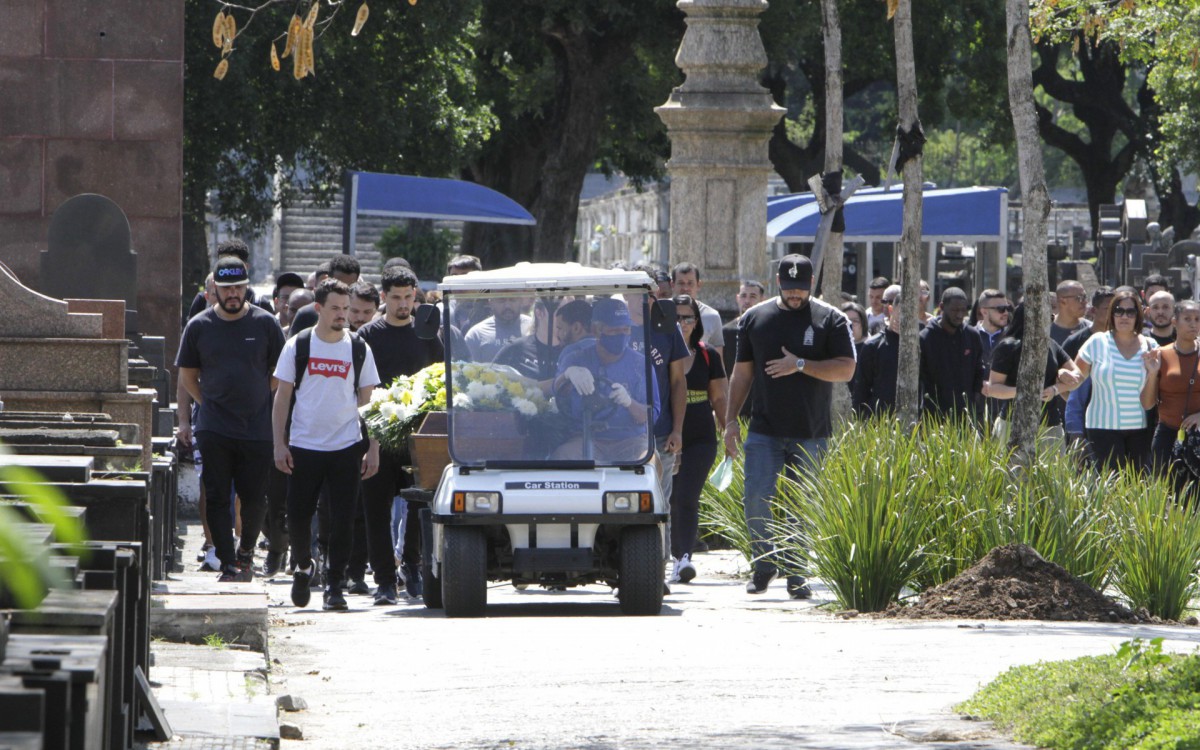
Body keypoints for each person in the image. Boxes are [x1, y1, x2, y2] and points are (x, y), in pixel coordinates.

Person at [724, 254, 856, 598]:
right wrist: (730, 421)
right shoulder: (755, 318)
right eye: (788, 288)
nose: (794, 294)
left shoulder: (831, 318)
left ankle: (797, 573)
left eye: (800, 288)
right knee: (756, 497)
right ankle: (764, 563)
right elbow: (742, 373)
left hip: (811, 431)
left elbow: (846, 369)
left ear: (811, 284)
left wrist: (799, 364)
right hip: (764, 429)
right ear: (778, 282)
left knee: (802, 505)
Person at [273, 278, 381, 610]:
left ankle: (335, 586)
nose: (342, 314)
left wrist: (373, 448)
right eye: (335, 308)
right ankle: (304, 565)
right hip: (304, 444)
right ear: (318, 308)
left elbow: (370, 403)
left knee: (342, 520)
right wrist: (279, 444)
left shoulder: (358, 348)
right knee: (298, 516)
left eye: (346, 308)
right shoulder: (299, 344)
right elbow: (282, 397)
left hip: (346, 445)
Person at [176, 256, 285, 582]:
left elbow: (281, 371)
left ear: (246, 286)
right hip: (214, 427)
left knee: (254, 499)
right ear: (215, 289)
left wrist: (258, 395)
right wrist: (207, 403)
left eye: (238, 287)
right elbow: (187, 376)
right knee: (217, 495)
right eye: (226, 288)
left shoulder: (266, 324)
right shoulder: (199, 326)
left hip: (257, 427)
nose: (233, 293)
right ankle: (227, 562)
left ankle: (246, 553)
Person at [358, 266, 444, 603]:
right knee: (377, 510)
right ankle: (384, 580)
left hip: (418, 437)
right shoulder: (368, 335)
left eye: (409, 297)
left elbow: (441, 378)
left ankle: (412, 566)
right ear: (384, 297)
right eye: (396, 297)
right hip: (377, 435)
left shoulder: (427, 334)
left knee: (419, 507)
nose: (404, 304)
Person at [668, 295, 727, 584]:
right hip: (668, 433)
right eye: (677, 317)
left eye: (688, 318)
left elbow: (719, 397)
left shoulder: (708, 355)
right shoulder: (662, 353)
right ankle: (671, 556)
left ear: (696, 321)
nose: (682, 323)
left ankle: (684, 558)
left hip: (701, 435)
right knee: (670, 498)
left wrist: (729, 430)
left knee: (687, 496)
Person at [552, 298, 655, 462]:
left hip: (630, 440)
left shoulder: (640, 364)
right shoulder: (575, 358)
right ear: (596, 330)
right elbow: (557, 391)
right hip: (585, 437)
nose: (621, 335)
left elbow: (650, 416)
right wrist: (568, 375)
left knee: (649, 460)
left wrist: (629, 403)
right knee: (562, 456)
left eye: (626, 329)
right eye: (614, 330)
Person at [1073, 289, 1160, 472]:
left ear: (1138, 315)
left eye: (1130, 312)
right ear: (1111, 314)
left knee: (1138, 484)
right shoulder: (1096, 342)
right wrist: (1056, 386)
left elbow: (1149, 403)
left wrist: (1152, 373)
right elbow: (1074, 380)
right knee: (1110, 483)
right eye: (1118, 311)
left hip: (1140, 430)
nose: (1124, 316)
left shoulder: (1151, 346)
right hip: (1101, 427)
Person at [983, 304, 1081, 428]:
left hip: (1050, 424)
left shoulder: (1051, 344)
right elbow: (993, 388)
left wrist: (1056, 388)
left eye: (1051, 317)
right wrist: (1026, 392)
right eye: (1044, 318)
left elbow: (1079, 377)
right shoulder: (1008, 347)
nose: (1049, 322)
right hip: (1012, 423)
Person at [919, 287, 986, 421]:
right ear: (942, 307)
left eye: (963, 310)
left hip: (967, 417)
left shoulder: (972, 336)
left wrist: (977, 406)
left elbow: (979, 371)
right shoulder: (925, 338)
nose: (960, 315)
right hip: (934, 418)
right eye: (955, 310)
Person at [1151, 300, 1200, 478]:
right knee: (1164, 488)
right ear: (1174, 322)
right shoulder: (1161, 354)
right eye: (1187, 319)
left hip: (1198, 434)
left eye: (1197, 319)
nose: (1193, 324)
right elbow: (1147, 402)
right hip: (1167, 432)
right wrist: (1151, 373)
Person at [184, 239, 274, 321]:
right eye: (223, 265)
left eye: (234, 264)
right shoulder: (203, 301)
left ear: (245, 268)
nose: (232, 294)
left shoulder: (260, 304)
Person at [853, 284, 902, 417]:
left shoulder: (921, 344)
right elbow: (861, 390)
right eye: (900, 314)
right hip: (879, 420)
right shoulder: (873, 346)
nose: (904, 320)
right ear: (891, 310)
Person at [722, 280, 766, 421]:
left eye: (753, 296)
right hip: (734, 406)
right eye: (743, 296)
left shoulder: (768, 331)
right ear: (737, 298)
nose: (747, 301)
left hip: (761, 406)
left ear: (762, 300)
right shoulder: (725, 332)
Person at [289, 255, 361, 335]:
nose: (344, 291)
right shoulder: (307, 315)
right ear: (328, 280)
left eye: (349, 287)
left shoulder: (363, 315)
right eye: (339, 286)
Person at [493, 297, 562, 381]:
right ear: (539, 313)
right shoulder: (515, 349)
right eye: (560, 311)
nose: (566, 318)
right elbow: (489, 379)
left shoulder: (574, 351)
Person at [671, 262, 724, 357]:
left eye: (690, 283)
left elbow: (718, 359)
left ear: (698, 285)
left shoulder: (712, 316)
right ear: (672, 285)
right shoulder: (662, 312)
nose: (685, 288)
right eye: (681, 283)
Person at [465, 297, 532, 362]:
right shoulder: (476, 335)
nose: (507, 306)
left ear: (521, 301)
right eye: (501, 301)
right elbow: (468, 367)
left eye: (512, 300)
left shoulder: (534, 327)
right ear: (491, 303)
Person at [974, 289, 1011, 371]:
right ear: (984, 312)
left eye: (1007, 308)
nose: (1006, 313)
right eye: (1001, 309)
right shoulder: (969, 336)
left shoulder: (1011, 337)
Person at [1051, 280, 1091, 346]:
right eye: (1080, 298)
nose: (1085, 302)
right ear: (1063, 301)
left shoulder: (1091, 329)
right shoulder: (1046, 332)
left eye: (1085, 297)